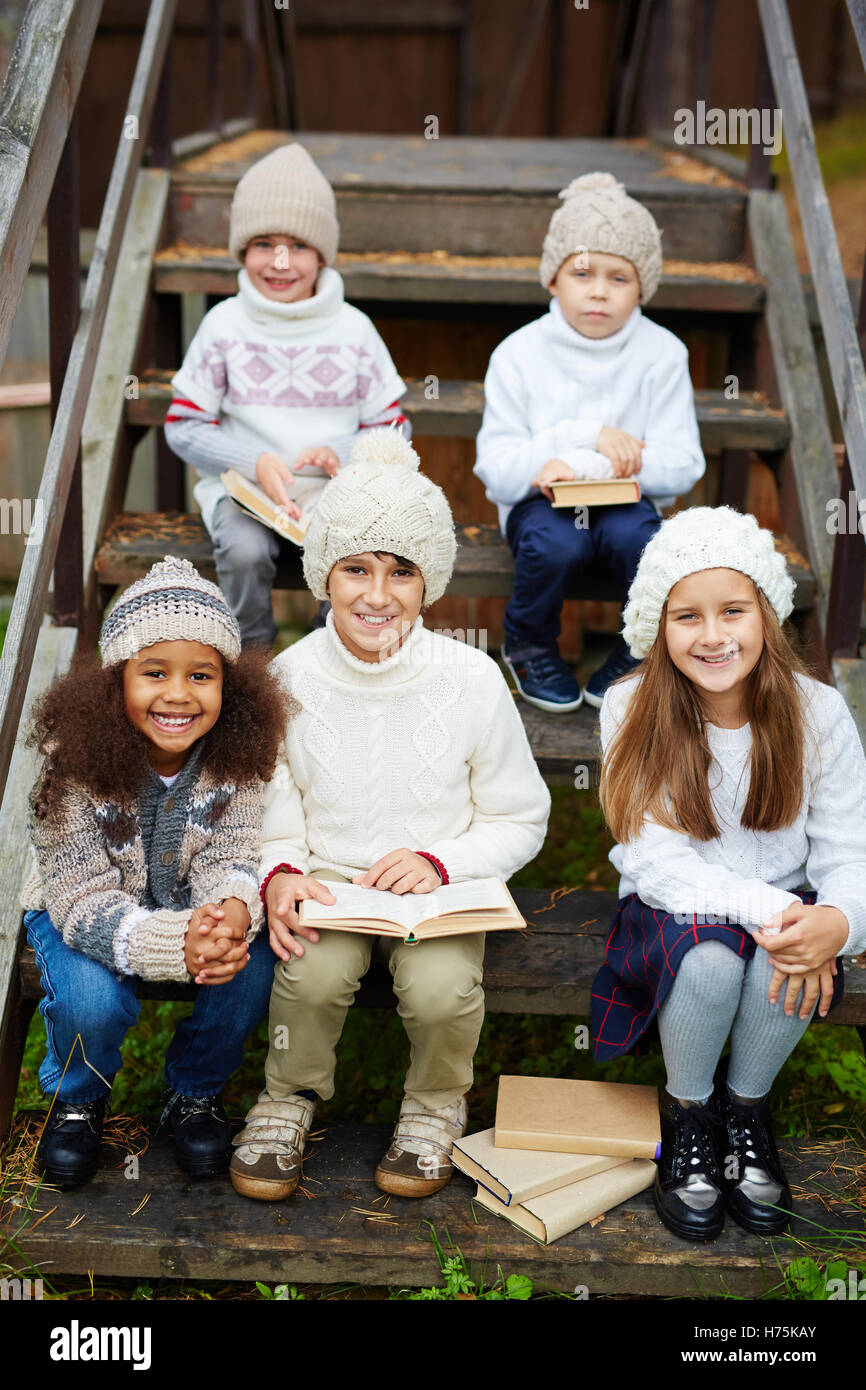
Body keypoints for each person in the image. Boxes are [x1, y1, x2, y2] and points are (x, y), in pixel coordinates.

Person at [228, 429, 551, 1202]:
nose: (378, 594)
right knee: (309, 975)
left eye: (401, 571)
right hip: (331, 879)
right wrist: (281, 875)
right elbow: (275, 807)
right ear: (323, 576)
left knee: (442, 990)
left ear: (428, 580)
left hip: (436, 886)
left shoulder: (470, 680)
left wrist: (442, 863)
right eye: (356, 569)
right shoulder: (288, 677)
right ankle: (288, 1097)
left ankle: (435, 1105)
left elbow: (520, 817)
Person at [590, 506, 866, 1241]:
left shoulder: (819, 713)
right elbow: (655, 857)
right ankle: (688, 1114)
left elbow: (850, 851)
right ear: (659, 627)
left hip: (785, 900)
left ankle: (745, 1110)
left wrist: (837, 921)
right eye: (688, 617)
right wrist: (774, 909)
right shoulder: (630, 707)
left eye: (734, 610)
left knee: (793, 950)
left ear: (767, 615)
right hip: (674, 902)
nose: (713, 636)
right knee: (711, 962)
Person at [21, 556, 291, 1187]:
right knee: (92, 997)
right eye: (153, 673)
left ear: (230, 686)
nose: (178, 693)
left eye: (201, 674)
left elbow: (232, 856)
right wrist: (178, 943)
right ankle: (80, 1096)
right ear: (116, 682)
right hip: (80, 912)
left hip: (187, 910)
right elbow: (81, 900)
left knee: (251, 968)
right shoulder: (74, 763)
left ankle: (194, 1090)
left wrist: (230, 912)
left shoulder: (238, 756)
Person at [474, 171, 705, 712]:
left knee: (641, 539)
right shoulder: (518, 354)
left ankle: (637, 647)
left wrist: (612, 464)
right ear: (553, 279)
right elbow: (499, 470)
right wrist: (583, 442)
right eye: (582, 272)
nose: (599, 290)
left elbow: (684, 463)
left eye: (619, 278)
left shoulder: (662, 353)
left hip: (626, 499)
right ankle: (529, 644)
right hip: (541, 506)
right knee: (558, 542)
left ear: (643, 287)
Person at [164, 142, 409, 648]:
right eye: (263, 244)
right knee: (244, 550)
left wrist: (342, 455)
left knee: (347, 549)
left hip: (335, 489)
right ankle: (251, 655)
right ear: (242, 251)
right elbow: (183, 425)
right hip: (246, 490)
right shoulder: (224, 325)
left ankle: (335, 653)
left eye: (297, 245)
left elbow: (393, 427)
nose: (280, 261)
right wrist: (254, 460)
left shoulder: (353, 330)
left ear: (322, 253)